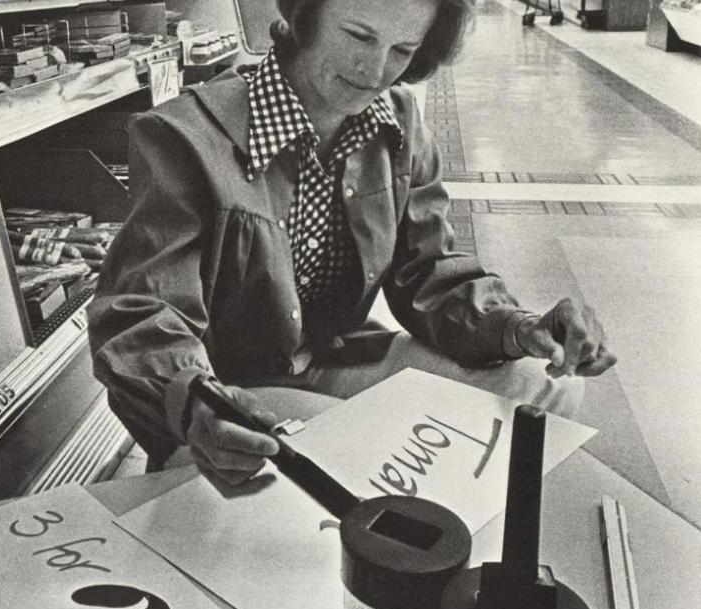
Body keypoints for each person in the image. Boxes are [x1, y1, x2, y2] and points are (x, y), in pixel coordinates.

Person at [87, 0, 616, 485]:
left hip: (332, 357)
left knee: (547, 384)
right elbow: (142, 310)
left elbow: (428, 273)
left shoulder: (398, 125)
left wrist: (521, 328)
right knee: (343, 466)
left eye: (403, 50)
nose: (375, 70)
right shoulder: (183, 136)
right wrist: (194, 401)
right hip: (232, 392)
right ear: (304, 16)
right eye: (359, 35)